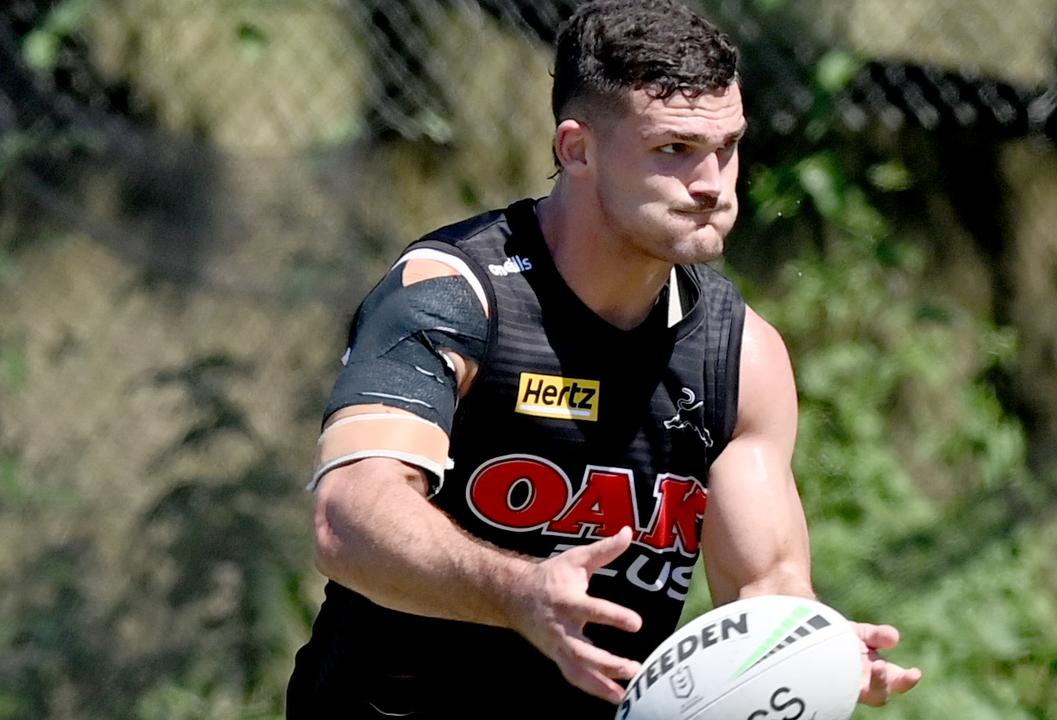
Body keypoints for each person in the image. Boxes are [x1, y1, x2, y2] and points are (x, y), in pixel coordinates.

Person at [286, 0, 922, 716]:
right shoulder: (455, 293)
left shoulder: (738, 355)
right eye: (674, 150)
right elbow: (347, 518)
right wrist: (517, 593)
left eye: (728, 146)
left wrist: (812, 655)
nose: (712, 183)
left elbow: (766, 589)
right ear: (577, 149)